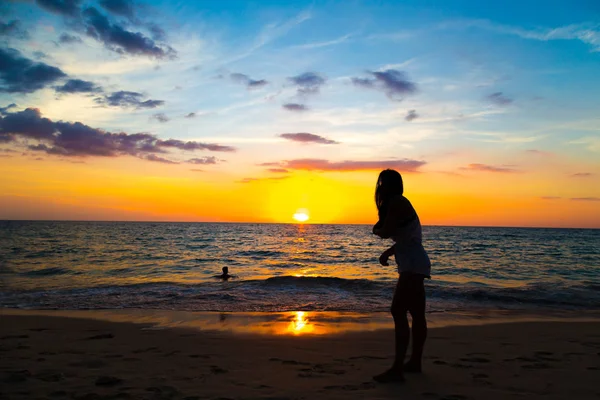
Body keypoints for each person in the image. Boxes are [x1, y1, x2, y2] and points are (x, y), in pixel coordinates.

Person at [372, 169, 431, 383]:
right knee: (416, 313)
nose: (379, 187)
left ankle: (397, 369)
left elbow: (386, 231)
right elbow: (407, 238)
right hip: (415, 261)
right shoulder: (400, 202)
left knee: (398, 310)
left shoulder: (397, 202)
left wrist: (376, 230)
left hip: (413, 265)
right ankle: (414, 362)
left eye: (382, 184)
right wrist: (390, 252)